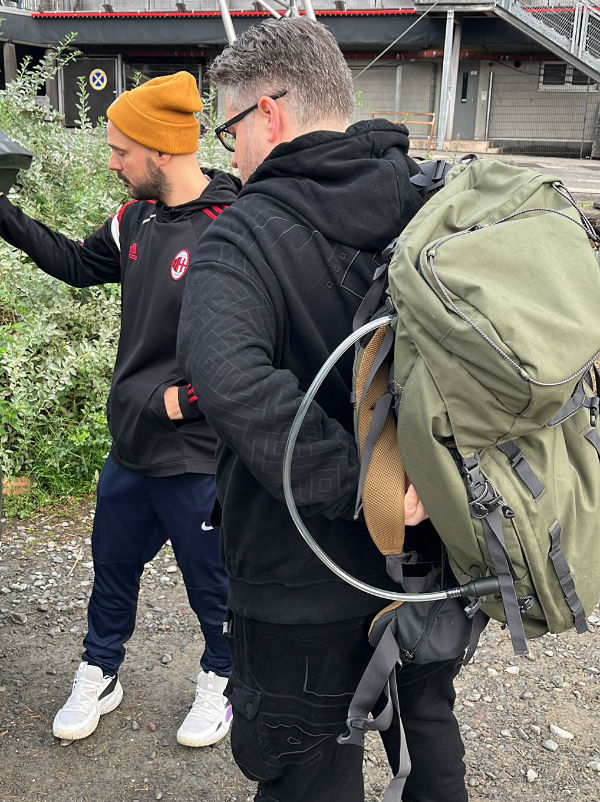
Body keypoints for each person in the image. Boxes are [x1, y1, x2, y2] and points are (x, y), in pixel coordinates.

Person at [177, 18, 468, 802]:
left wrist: (371, 489)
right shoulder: (430, 204)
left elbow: (232, 383)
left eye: (230, 129)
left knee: (307, 775)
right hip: (427, 563)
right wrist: (412, 493)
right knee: (427, 740)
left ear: (269, 113)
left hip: (296, 587)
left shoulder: (240, 238)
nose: (231, 153)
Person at [0, 72, 239, 747]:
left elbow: (265, 341)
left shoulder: (233, 225)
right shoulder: (135, 219)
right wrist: (4, 215)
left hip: (197, 456)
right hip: (131, 448)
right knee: (112, 572)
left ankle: (223, 678)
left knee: (213, 587)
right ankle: (100, 671)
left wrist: (187, 402)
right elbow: (78, 265)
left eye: (120, 150)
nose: (111, 163)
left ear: (162, 149)